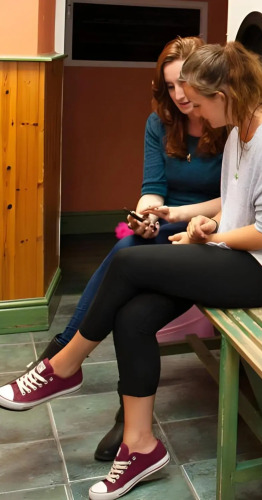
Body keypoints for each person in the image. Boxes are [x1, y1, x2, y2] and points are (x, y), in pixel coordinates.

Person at [0, 41, 262, 500]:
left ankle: (64, 365)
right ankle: (140, 446)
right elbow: (235, 206)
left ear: (224, 94)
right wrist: (202, 222)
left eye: (200, 103)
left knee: (128, 260)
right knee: (133, 319)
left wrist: (209, 239)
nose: (197, 113)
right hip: (234, 257)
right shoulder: (240, 133)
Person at [26, 36, 226, 461]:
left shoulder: (227, 122)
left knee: (127, 261)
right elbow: (152, 188)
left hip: (206, 232)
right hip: (166, 227)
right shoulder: (161, 123)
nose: (179, 95)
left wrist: (176, 215)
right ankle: (123, 416)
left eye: (185, 83)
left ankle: (62, 359)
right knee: (130, 255)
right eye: (169, 86)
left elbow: (236, 199)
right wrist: (148, 215)